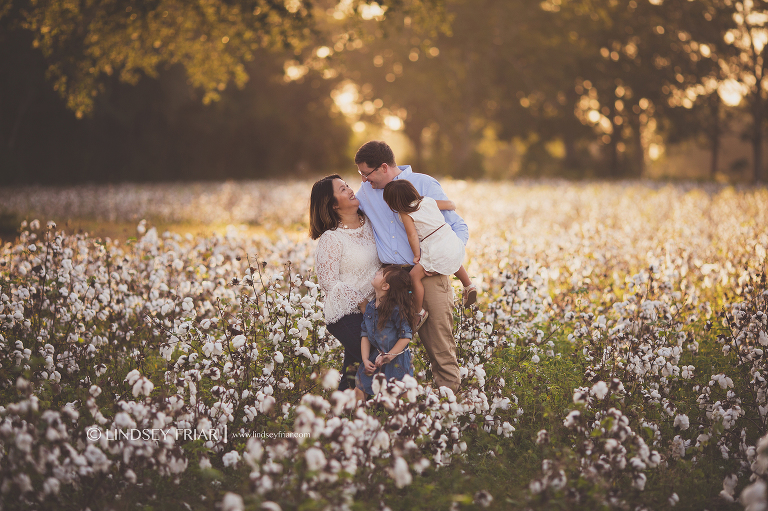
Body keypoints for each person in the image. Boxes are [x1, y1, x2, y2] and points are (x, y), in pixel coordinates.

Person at [354, 140, 467, 393]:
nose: (363, 180)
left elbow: (457, 225)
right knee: (383, 343)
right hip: (390, 278)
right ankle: (385, 405)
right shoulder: (364, 193)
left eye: (366, 174)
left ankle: (451, 408)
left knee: (440, 345)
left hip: (428, 273)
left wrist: (444, 257)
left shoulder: (424, 183)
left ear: (383, 167)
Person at [310, 174, 381, 390]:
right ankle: (375, 414)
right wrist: (360, 301)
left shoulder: (370, 222)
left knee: (354, 371)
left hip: (373, 309)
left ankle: (341, 417)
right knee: (377, 361)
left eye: (348, 186)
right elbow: (328, 282)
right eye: (342, 189)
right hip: (345, 313)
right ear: (332, 204)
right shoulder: (331, 238)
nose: (350, 190)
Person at [382, 179, 477, 330]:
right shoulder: (428, 201)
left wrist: (416, 255)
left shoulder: (405, 213)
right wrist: (452, 204)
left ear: (393, 203)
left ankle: (419, 311)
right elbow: (450, 204)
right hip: (448, 237)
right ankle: (469, 285)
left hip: (434, 246)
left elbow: (412, 236)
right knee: (453, 259)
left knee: (414, 276)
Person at [355, 266, 416, 400]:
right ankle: (357, 418)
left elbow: (406, 337)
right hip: (376, 358)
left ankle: (407, 419)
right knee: (360, 387)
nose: (376, 272)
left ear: (385, 286)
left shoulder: (396, 310)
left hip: (397, 360)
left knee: (401, 397)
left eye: (381, 273)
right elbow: (364, 334)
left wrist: (389, 355)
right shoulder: (371, 307)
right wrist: (365, 359)